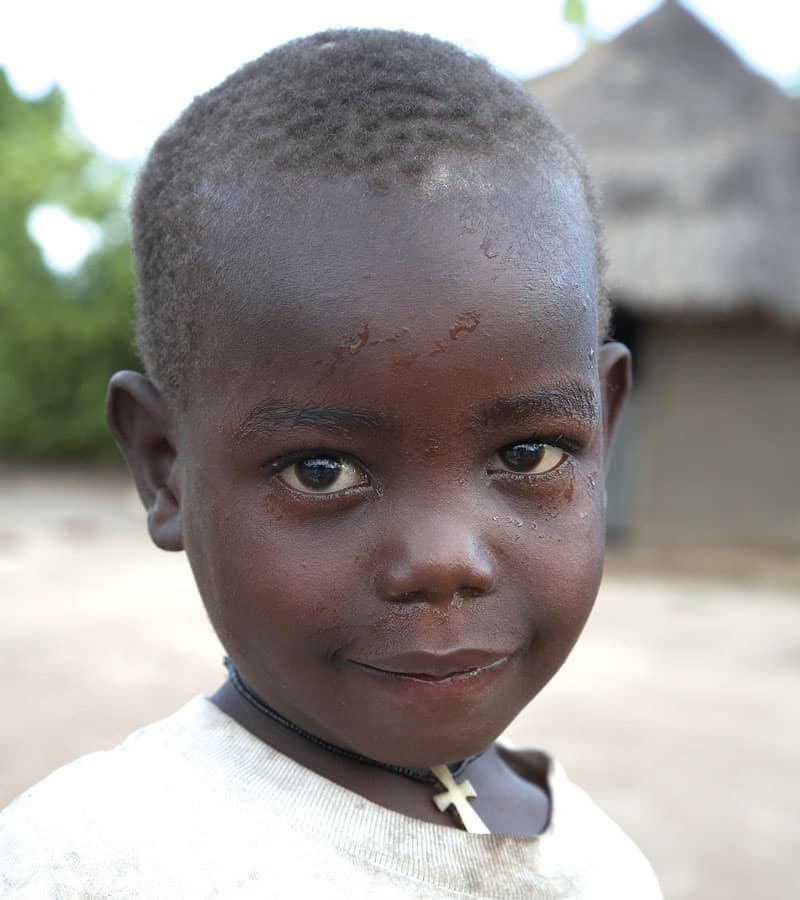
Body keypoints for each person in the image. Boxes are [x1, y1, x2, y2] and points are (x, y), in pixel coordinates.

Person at [0, 30, 661, 898]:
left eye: (527, 454)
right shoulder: (77, 864)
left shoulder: (608, 871)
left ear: (602, 437)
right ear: (166, 469)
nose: (442, 561)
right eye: (322, 471)